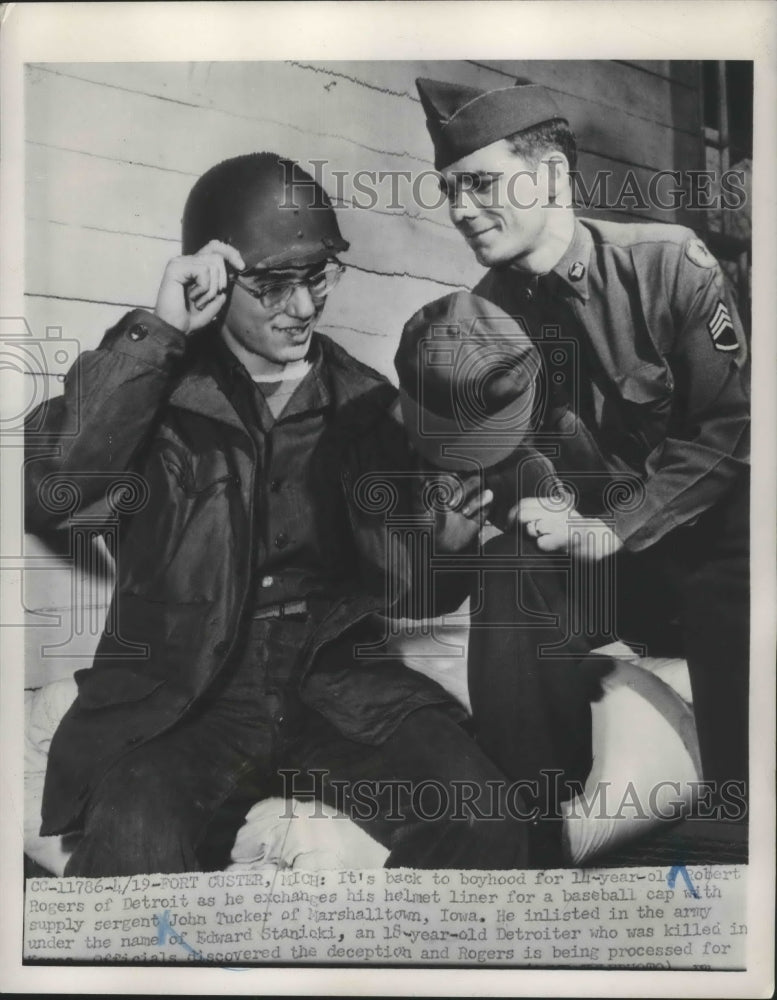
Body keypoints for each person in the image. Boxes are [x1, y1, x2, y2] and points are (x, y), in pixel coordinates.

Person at [25, 152, 532, 876]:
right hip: (183, 697)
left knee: (484, 817)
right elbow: (55, 490)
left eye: (316, 278)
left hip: (338, 689)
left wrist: (445, 549)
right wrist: (160, 330)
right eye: (272, 286)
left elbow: (413, 593)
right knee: (133, 844)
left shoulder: (368, 407)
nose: (301, 307)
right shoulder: (152, 385)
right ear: (218, 277)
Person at [414, 76, 750, 812]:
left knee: (740, 571)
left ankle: (741, 823)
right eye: (448, 190)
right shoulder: (483, 316)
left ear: (552, 175)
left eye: (479, 183)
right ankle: (529, 813)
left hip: (708, 552)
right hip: (608, 577)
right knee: (507, 562)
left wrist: (612, 528)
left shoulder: (668, 263)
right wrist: (481, 506)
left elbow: (731, 433)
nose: (461, 210)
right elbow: (504, 461)